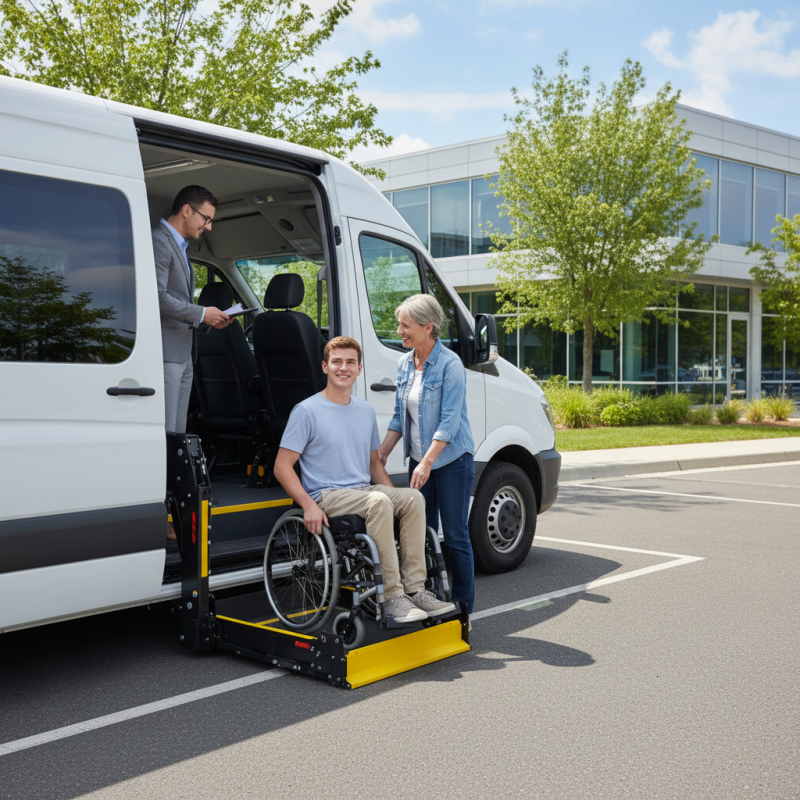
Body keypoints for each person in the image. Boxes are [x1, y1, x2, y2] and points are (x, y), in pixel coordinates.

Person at [273, 335, 456, 623]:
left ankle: (416, 590)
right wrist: (308, 505)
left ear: (359, 369)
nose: (343, 368)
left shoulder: (365, 411)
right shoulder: (307, 411)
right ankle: (393, 597)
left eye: (350, 362)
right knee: (379, 500)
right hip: (327, 494)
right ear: (325, 367)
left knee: (413, 498)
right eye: (336, 362)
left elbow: (373, 463)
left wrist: (400, 501)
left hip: (363, 490)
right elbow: (282, 467)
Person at [378, 294, 476, 616]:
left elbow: (448, 424)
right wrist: (380, 455)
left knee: (455, 535)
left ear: (427, 327)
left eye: (405, 325)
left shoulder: (450, 365)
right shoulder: (405, 364)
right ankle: (430, 599)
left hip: (449, 462)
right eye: (400, 324)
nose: (400, 330)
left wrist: (427, 463)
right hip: (419, 461)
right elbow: (398, 418)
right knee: (421, 535)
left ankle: (462, 609)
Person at [152, 185, 232, 435]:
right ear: (187, 210)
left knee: (176, 433)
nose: (208, 227)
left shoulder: (180, 247)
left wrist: (207, 318)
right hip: (166, 354)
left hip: (183, 354)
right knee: (166, 434)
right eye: (206, 219)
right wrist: (200, 313)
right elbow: (156, 297)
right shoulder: (158, 242)